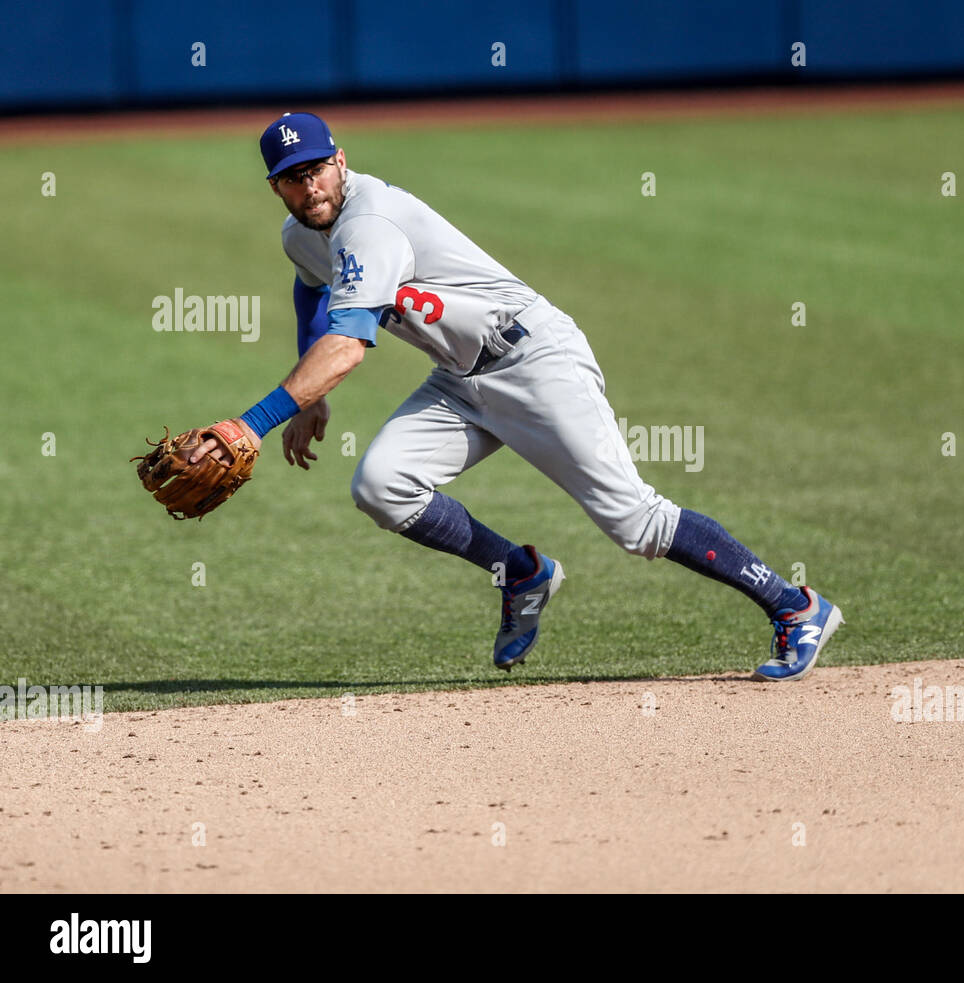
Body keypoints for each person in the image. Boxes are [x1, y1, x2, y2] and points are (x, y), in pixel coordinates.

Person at [191, 112, 843, 681]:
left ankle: (794, 605)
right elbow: (313, 286)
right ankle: (521, 570)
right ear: (275, 185)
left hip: (535, 360)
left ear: (340, 160)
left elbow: (349, 345)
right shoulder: (300, 233)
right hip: (459, 378)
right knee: (382, 485)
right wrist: (310, 397)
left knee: (636, 524)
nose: (309, 187)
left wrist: (253, 424)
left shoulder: (372, 223)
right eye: (292, 177)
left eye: (316, 169)